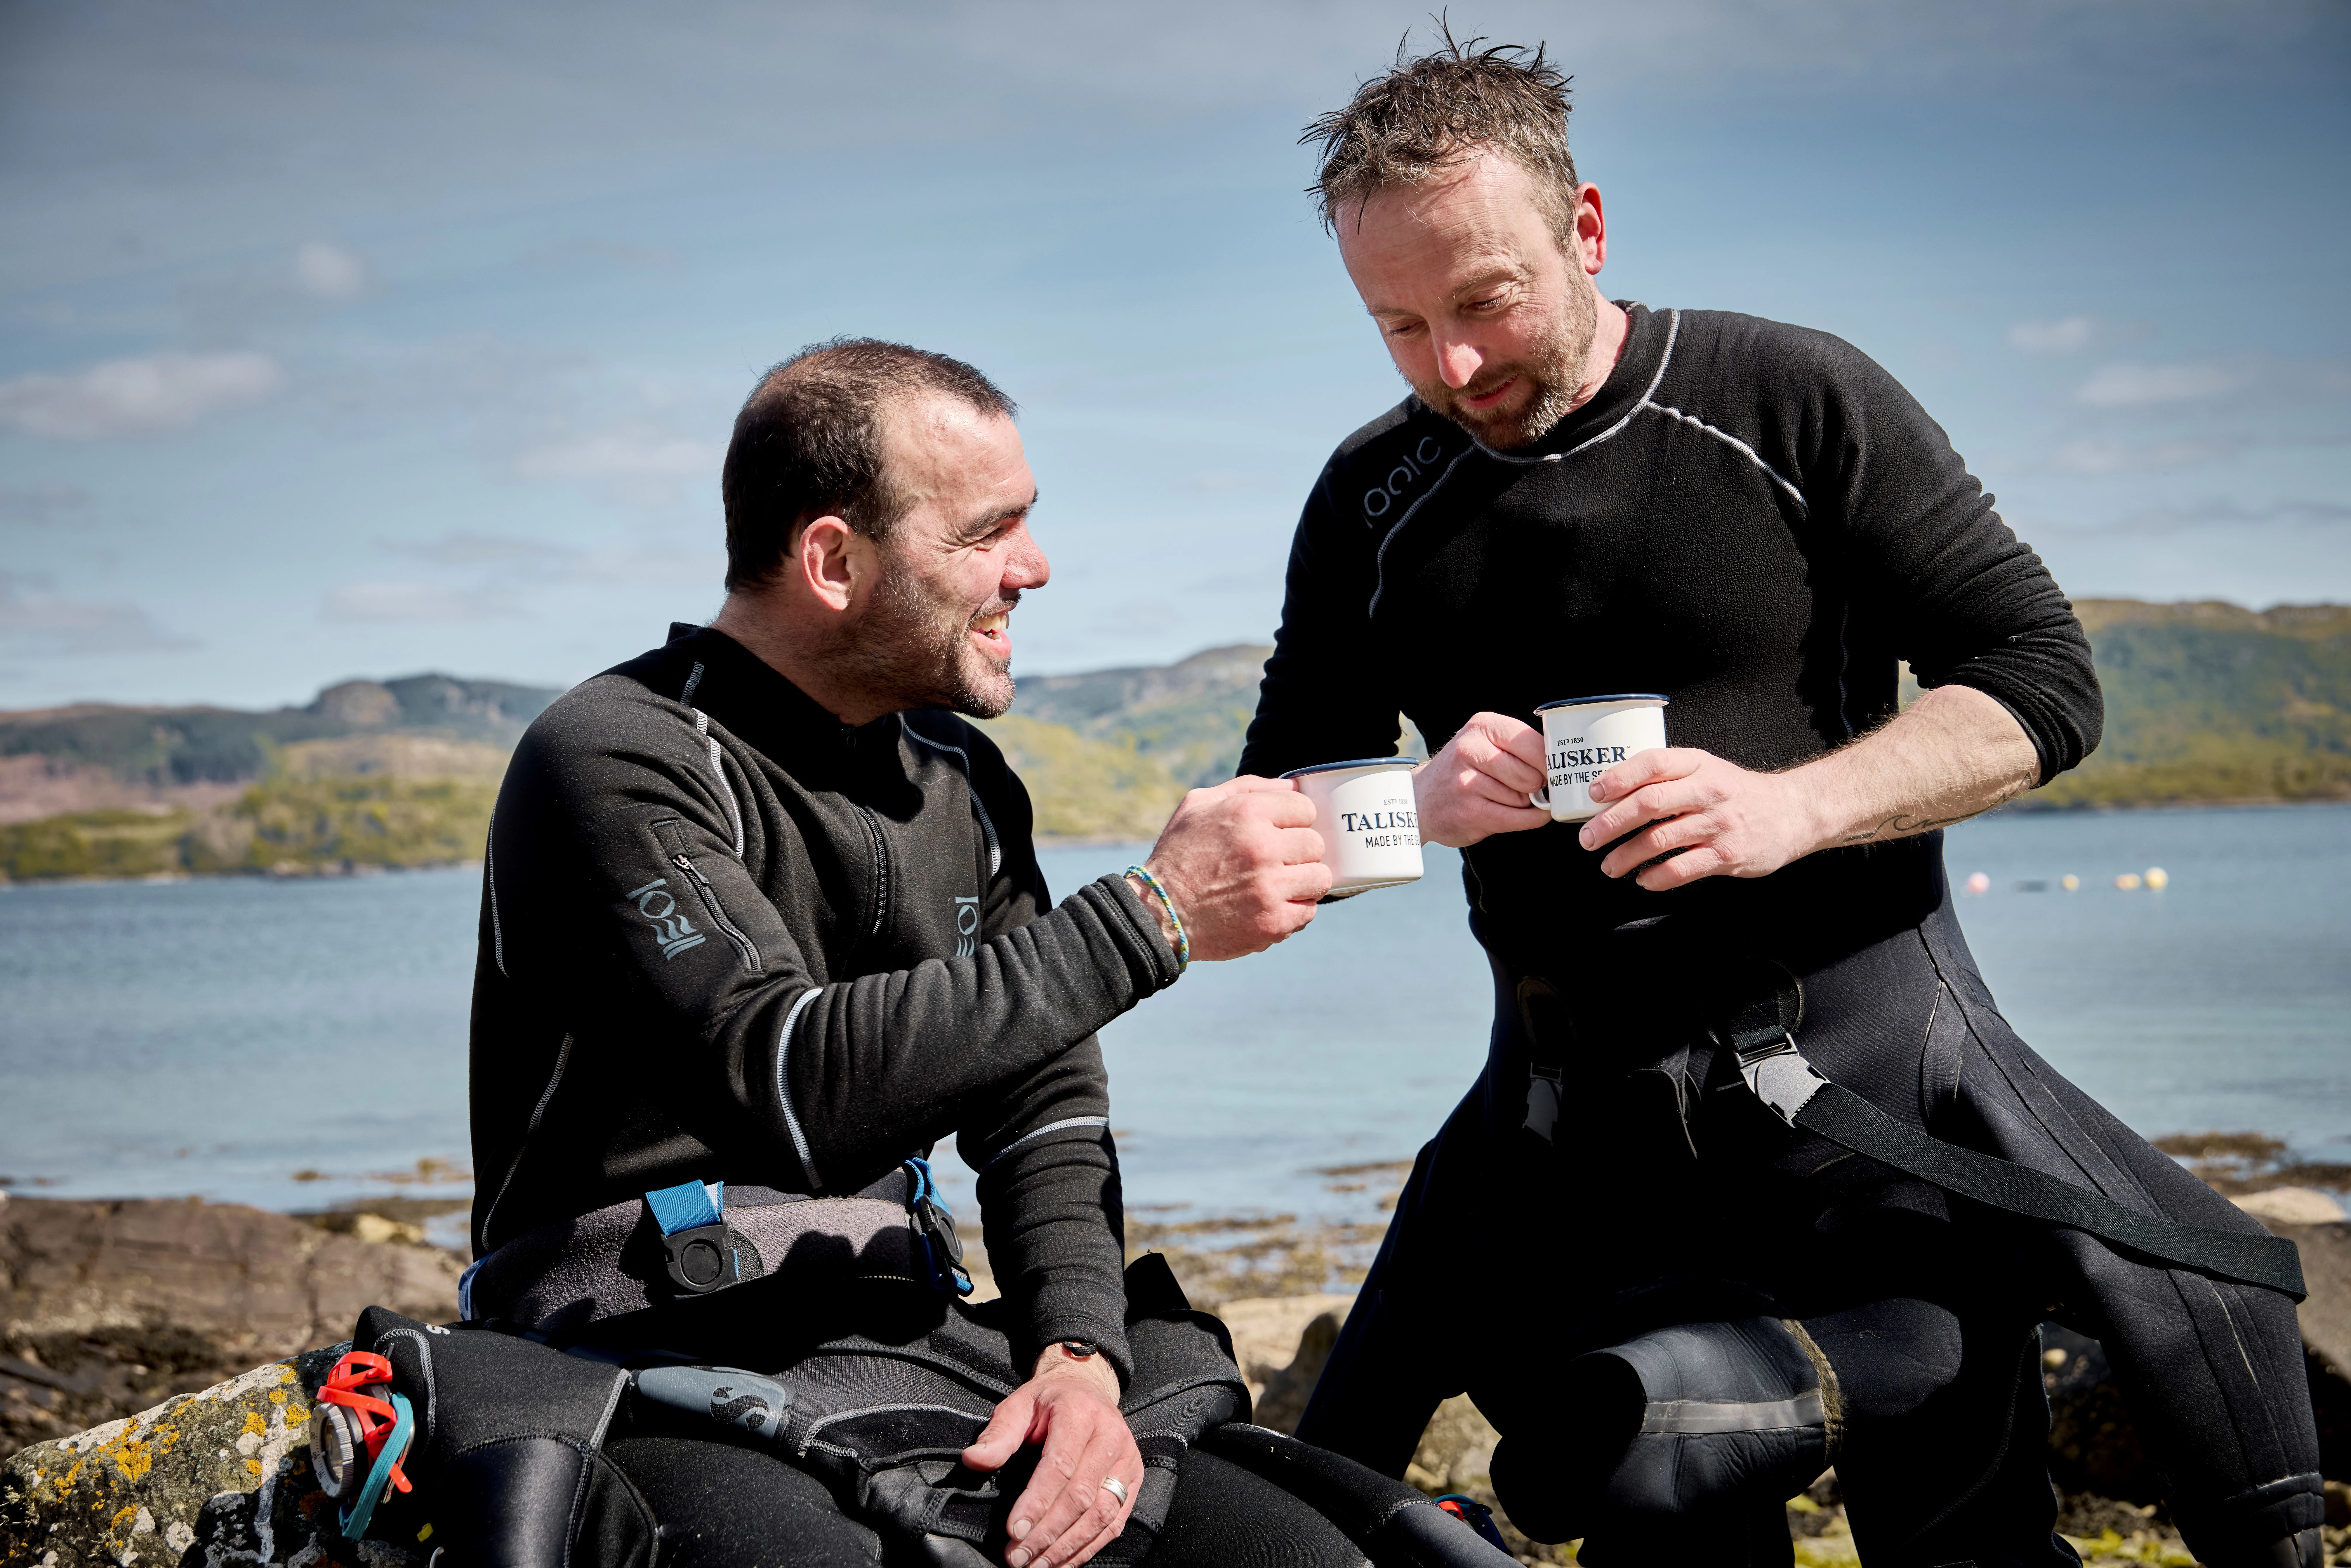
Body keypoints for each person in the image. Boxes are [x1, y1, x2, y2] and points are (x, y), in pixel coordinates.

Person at [1236, 35, 2324, 1568]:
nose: (1453, 368)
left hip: (1878, 1129)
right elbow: (1270, 830)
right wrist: (1410, 809)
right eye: (1399, 326)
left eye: (1484, 302)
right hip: (1579, 1153)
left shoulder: (1789, 398)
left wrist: (1792, 811)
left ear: (1586, 228)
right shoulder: (1372, 501)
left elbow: (2040, 682)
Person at [463, 339, 1387, 1568]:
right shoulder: (617, 758)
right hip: (640, 1344)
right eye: (986, 532)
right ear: (833, 560)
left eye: (1030, 523)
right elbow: (793, 1085)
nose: (1034, 567)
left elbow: (1040, 1101)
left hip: (907, 1333)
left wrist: (1075, 1353)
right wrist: (1152, 916)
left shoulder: (961, 778)